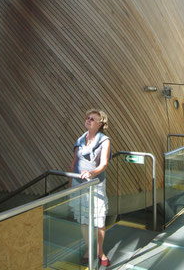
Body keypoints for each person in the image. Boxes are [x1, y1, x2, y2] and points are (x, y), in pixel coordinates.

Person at [69, 108, 111, 266]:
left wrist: (92, 173)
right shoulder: (80, 140)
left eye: (93, 119)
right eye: (87, 117)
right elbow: (74, 163)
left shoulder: (105, 141)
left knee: (99, 221)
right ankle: (89, 249)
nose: (88, 120)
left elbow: (104, 163)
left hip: (95, 185)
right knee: (84, 220)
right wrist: (70, 187)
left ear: (101, 124)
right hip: (79, 185)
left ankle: (100, 251)